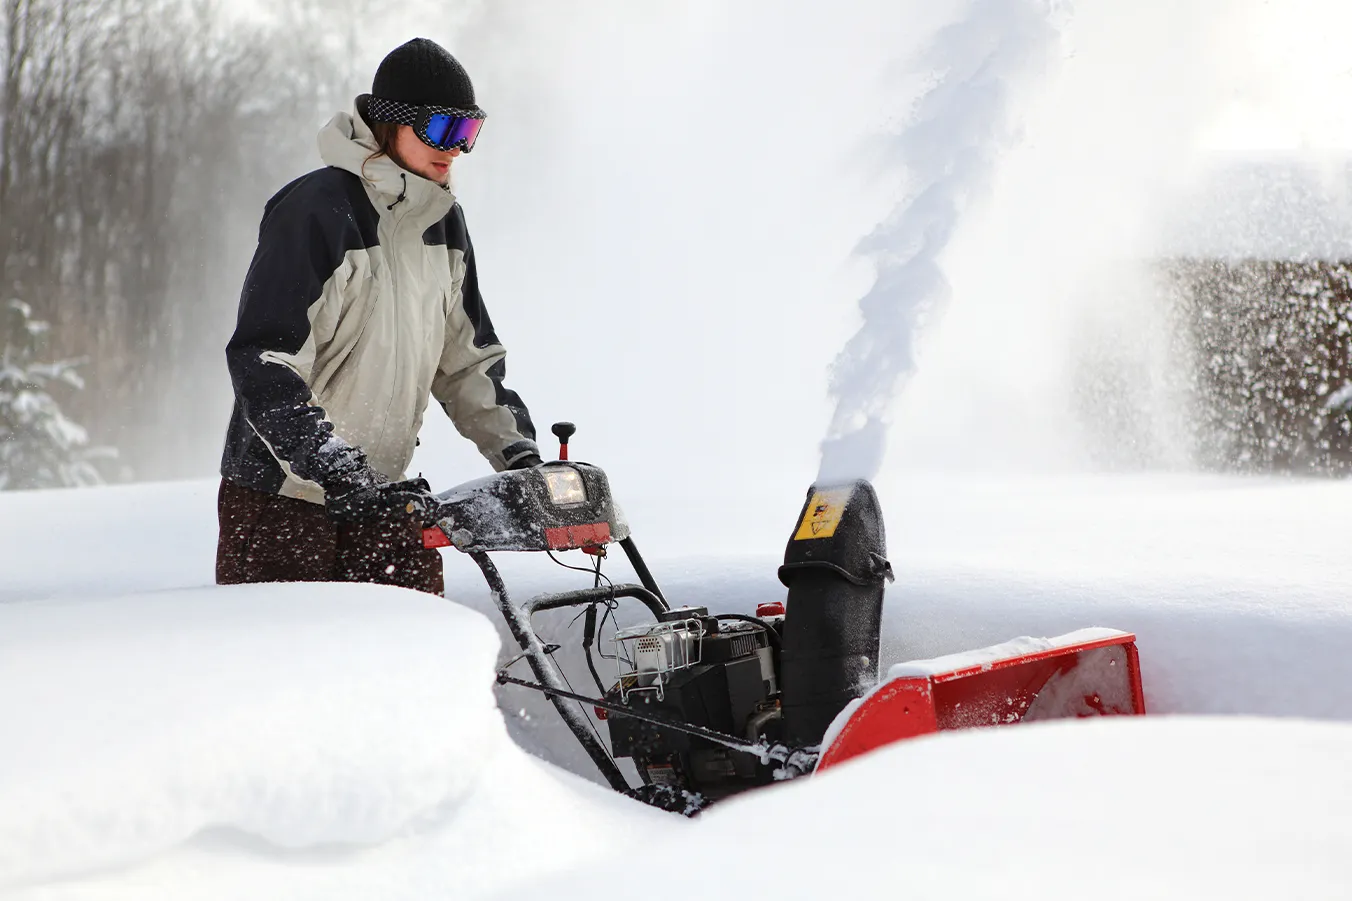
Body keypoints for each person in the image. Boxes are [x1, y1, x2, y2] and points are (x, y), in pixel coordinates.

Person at [216, 38, 541, 596]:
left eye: (468, 134)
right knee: (291, 671)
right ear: (391, 124)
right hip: (284, 502)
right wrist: (323, 458)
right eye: (443, 130)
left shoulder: (443, 223)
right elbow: (264, 359)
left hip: (379, 496)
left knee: (411, 655)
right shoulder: (317, 211)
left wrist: (520, 458)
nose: (455, 150)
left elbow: (466, 363)